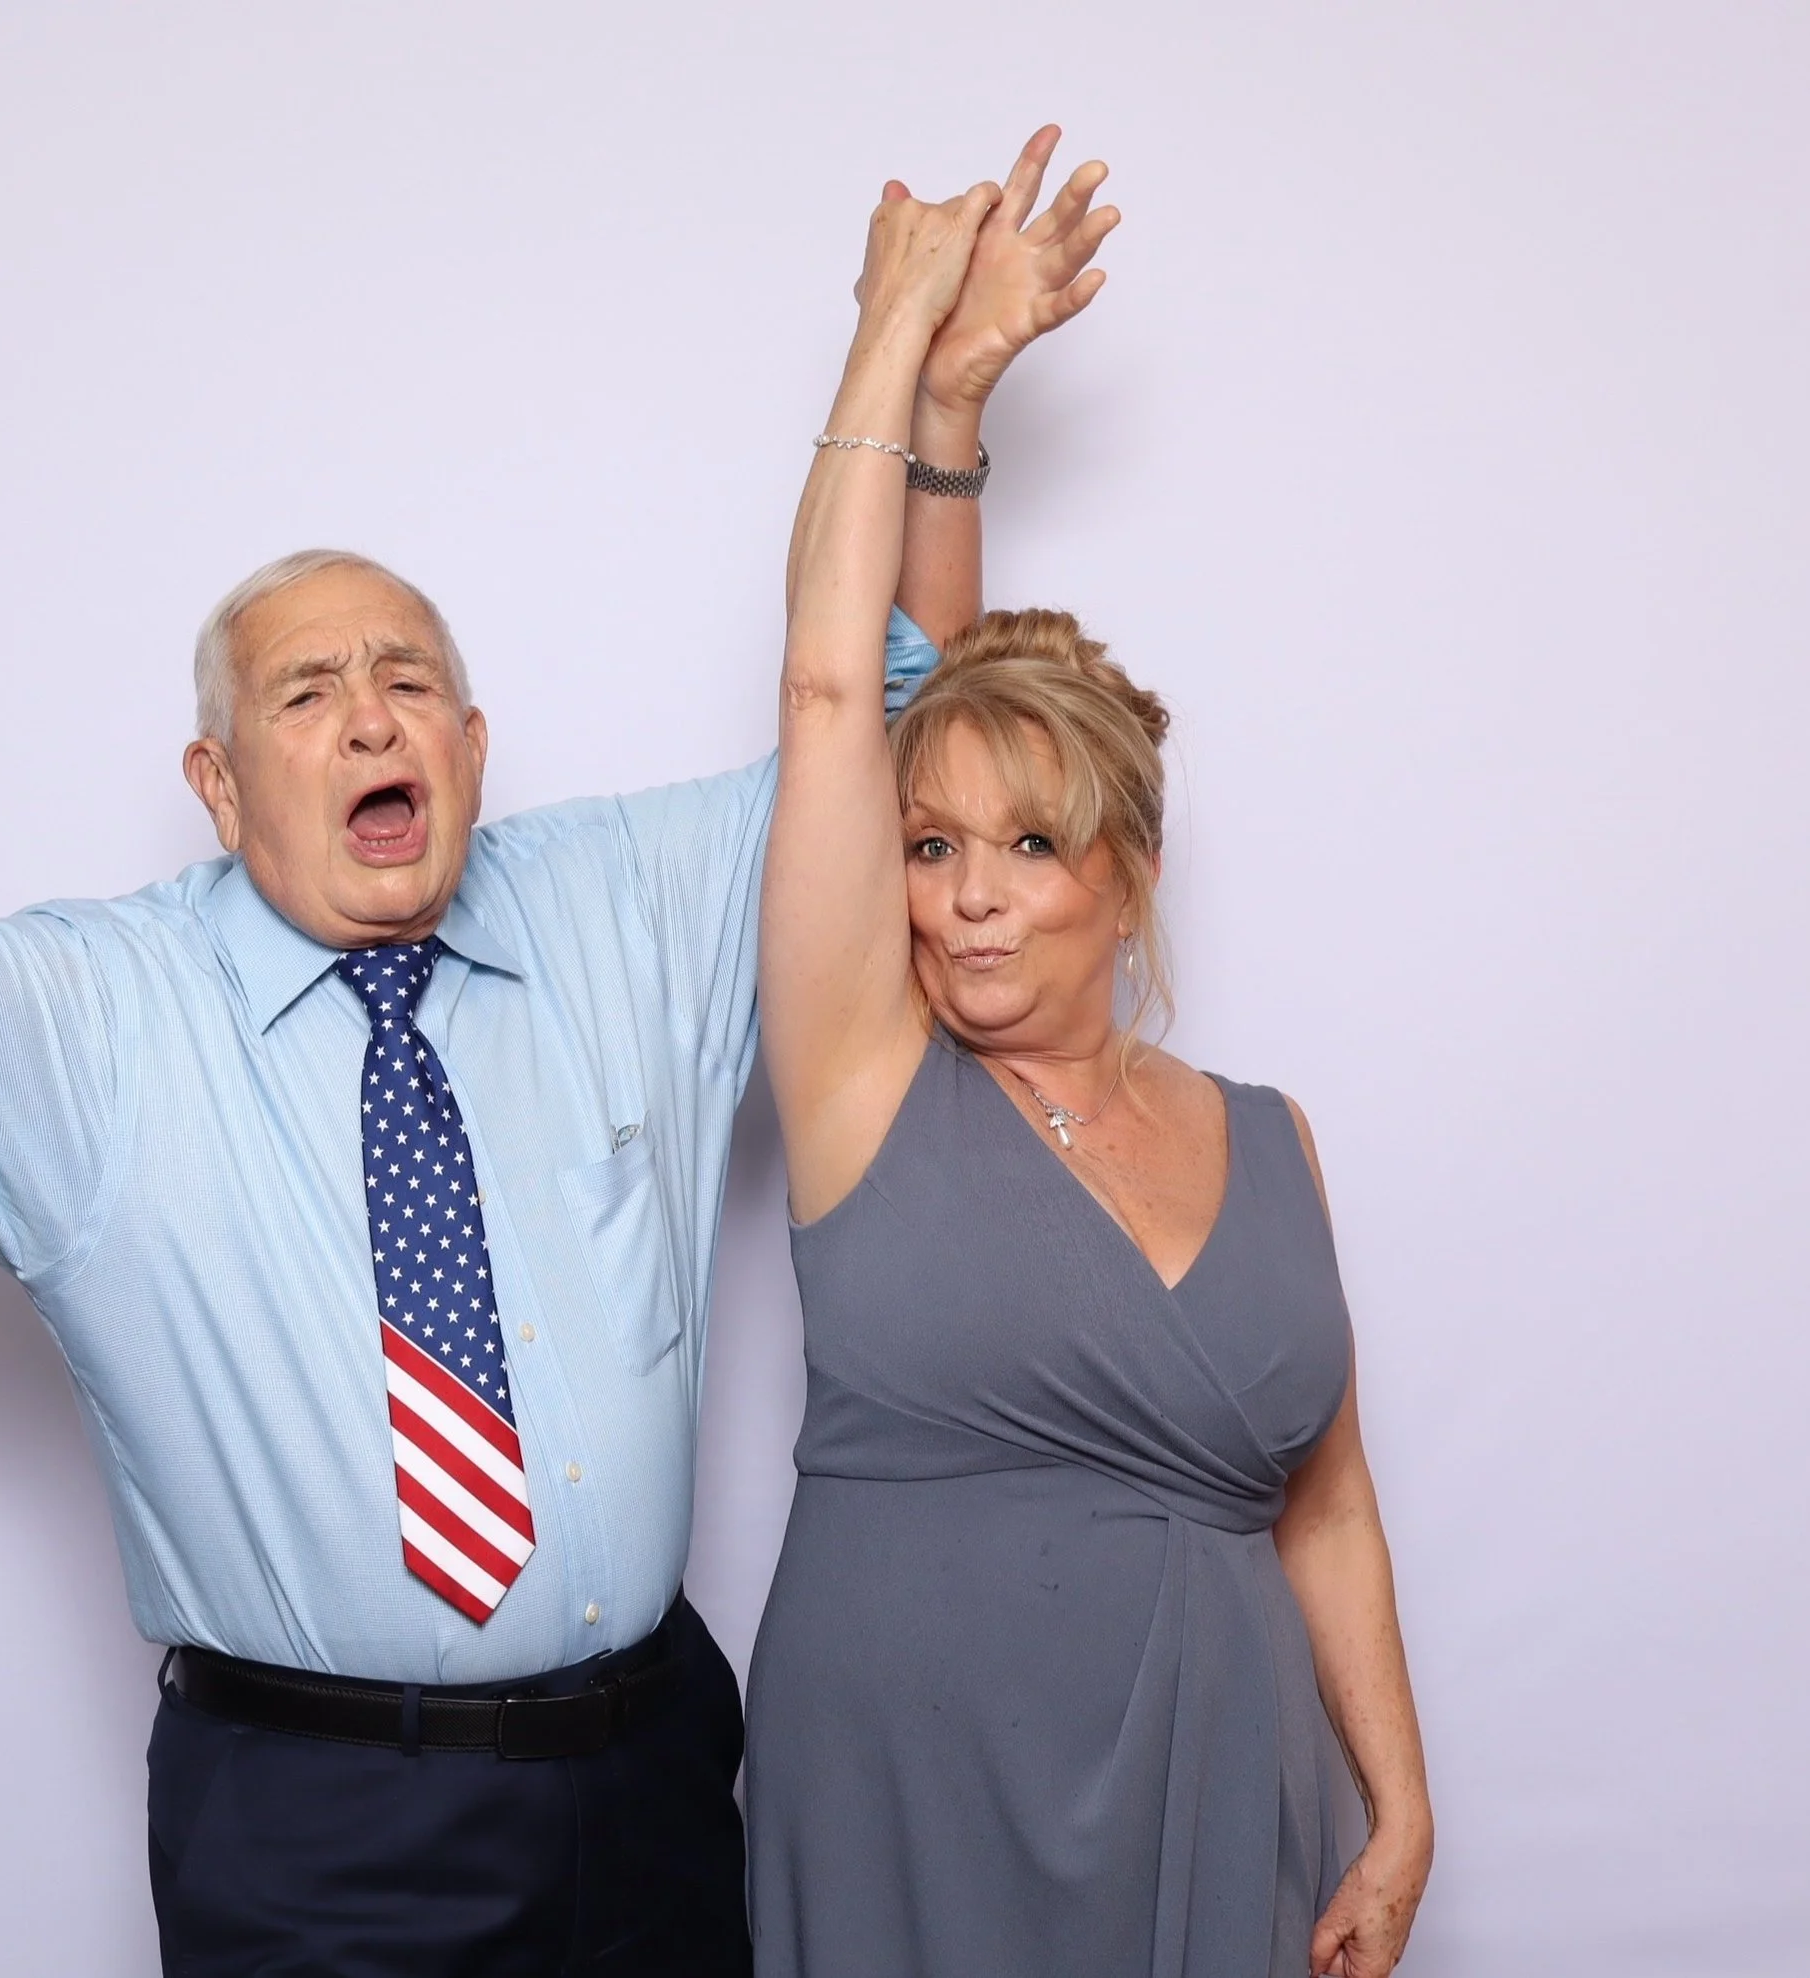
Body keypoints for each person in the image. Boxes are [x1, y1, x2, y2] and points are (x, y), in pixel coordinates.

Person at [0, 125, 1106, 1975]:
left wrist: (950, 412)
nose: (368, 719)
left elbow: (890, 734)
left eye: (409, 679)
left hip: (657, 1777)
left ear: (477, 746)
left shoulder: (625, 903)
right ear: (216, 781)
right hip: (321, 1828)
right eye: (307, 692)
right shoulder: (91, 1022)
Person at [744, 187, 1434, 1975]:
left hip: (1214, 1796)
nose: (966, 895)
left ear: (1122, 872)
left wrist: (1403, 1799)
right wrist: (897, 348)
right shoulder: (865, 1079)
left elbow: (1330, 1503)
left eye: (1029, 844)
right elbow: (843, 694)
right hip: (907, 1798)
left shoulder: (1274, 1141)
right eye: (928, 846)